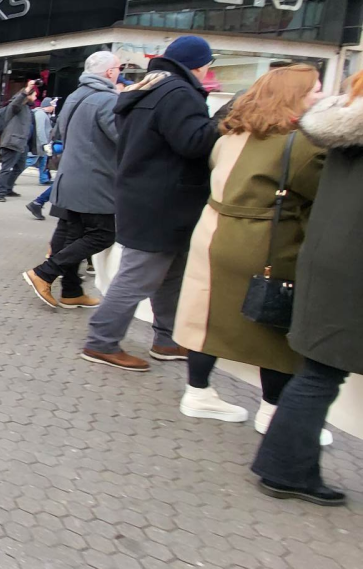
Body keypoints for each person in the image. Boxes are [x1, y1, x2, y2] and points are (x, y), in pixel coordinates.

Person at [174, 66, 327, 431]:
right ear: (295, 97)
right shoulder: (301, 144)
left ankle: (197, 392)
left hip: (212, 232)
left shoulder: (233, 134)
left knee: (205, 315)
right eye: (316, 90)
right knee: (273, 322)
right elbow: (323, 194)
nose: (322, 95)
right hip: (265, 241)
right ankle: (273, 412)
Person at [250, 70, 363, 507]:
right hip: (352, 264)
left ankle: (286, 467)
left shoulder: (342, 125)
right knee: (321, 374)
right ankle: (285, 469)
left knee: (318, 370)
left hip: (330, 254)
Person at [80, 36, 219, 371]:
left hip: (150, 197)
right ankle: (101, 342)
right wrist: (224, 117)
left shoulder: (152, 88)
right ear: (197, 65)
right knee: (137, 278)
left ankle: (167, 339)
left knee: (170, 274)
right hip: (164, 202)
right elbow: (193, 142)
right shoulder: (179, 93)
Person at [22, 51, 121, 309]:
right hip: (95, 180)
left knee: (72, 235)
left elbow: (59, 133)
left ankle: (71, 290)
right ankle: (44, 272)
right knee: (103, 234)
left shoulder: (75, 96)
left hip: (69, 175)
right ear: (110, 72)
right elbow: (123, 139)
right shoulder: (108, 100)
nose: (120, 72)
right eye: (119, 68)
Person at [0, 81, 37, 201]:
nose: (35, 97)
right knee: (6, 168)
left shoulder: (27, 108)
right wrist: (27, 88)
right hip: (12, 142)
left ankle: (8, 188)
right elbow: (16, 103)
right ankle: (0, 193)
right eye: (34, 95)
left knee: (20, 167)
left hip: (22, 143)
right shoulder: (17, 106)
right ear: (28, 95)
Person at [30, 98, 56, 184]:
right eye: (53, 105)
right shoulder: (40, 114)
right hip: (39, 143)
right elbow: (40, 130)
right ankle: (12, 175)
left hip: (43, 142)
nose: (54, 107)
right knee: (30, 160)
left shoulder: (45, 114)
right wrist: (44, 143)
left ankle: (44, 178)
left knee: (43, 161)